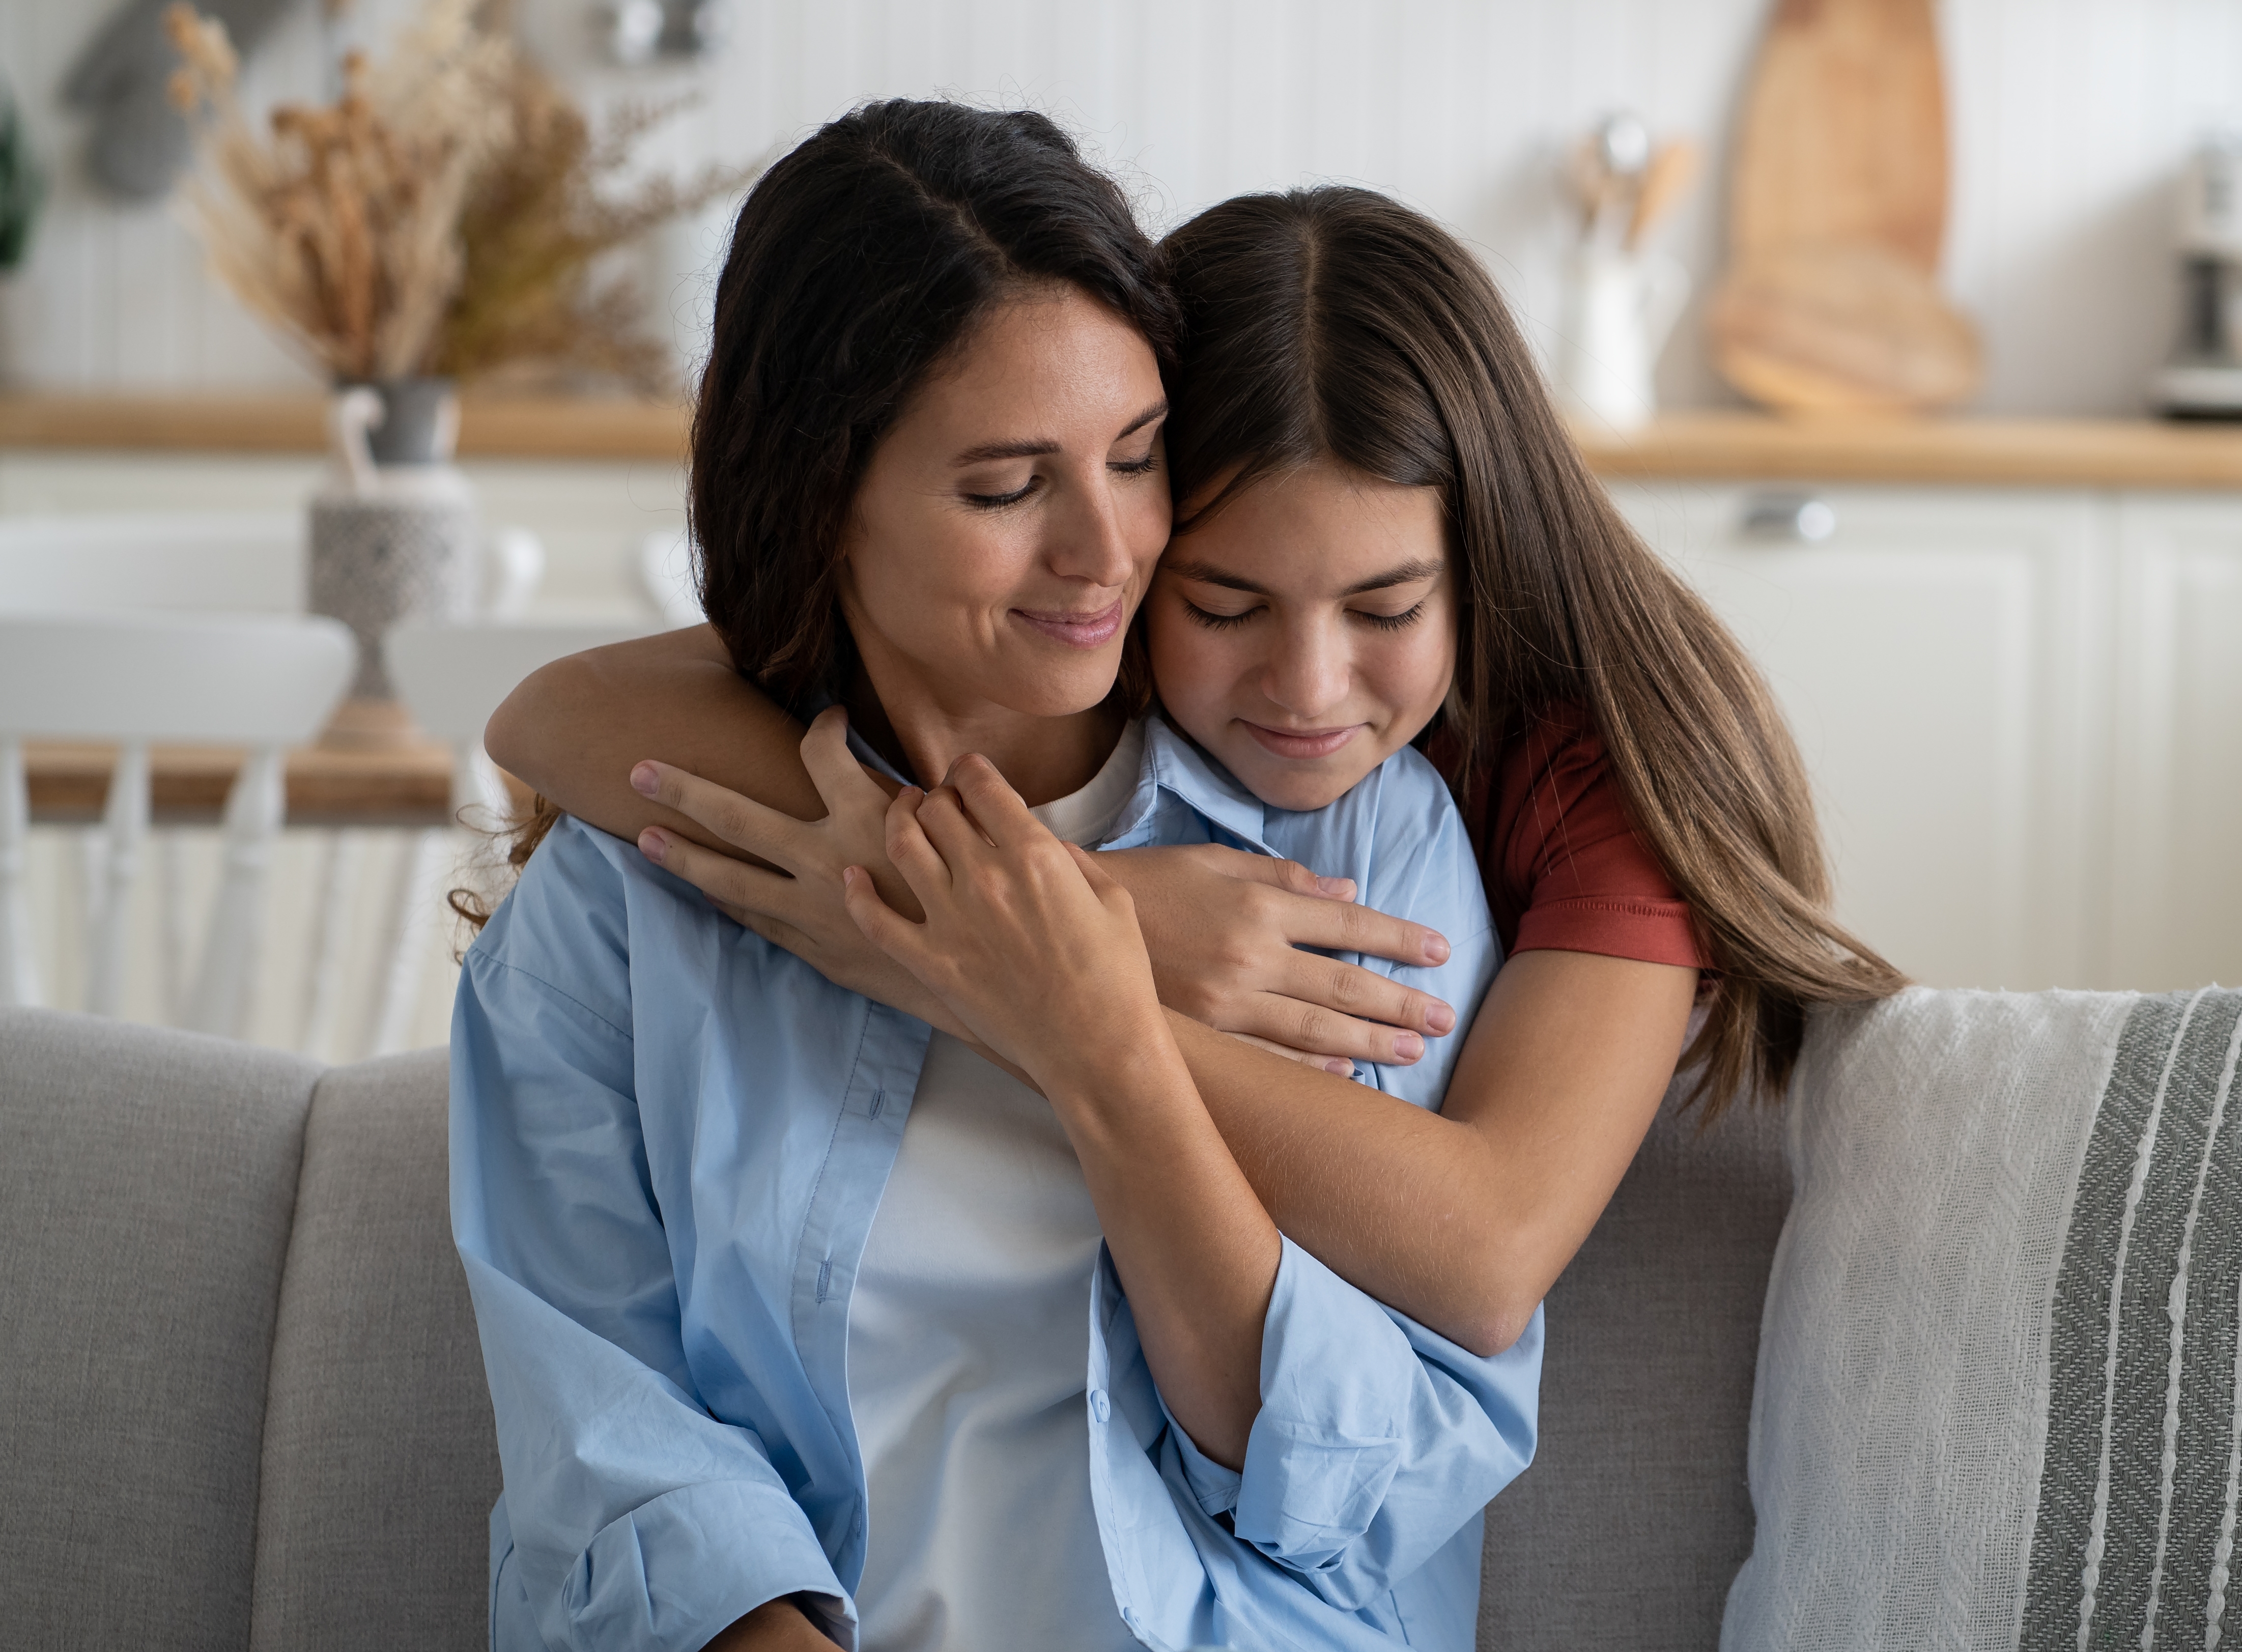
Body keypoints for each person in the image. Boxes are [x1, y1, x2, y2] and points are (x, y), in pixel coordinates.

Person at [455, 102, 1536, 1652]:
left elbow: (1364, 1490)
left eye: (1137, 452)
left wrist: (1096, 1038)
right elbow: (611, 1477)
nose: (1107, 552)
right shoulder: (624, 900)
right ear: (828, 499)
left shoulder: (1358, 853)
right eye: (1005, 485)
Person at [492, 188, 1907, 1368]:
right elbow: (557, 708)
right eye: (1222, 607)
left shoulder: (1589, 768)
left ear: (1481, 564)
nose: (1304, 686)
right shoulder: (1082, 644)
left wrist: (989, 964)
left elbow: (1482, 1254)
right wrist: (1092, 904)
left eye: (1386, 608)